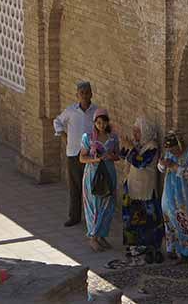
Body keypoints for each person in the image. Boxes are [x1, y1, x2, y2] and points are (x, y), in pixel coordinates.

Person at [158, 129, 188, 268]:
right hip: (170, 193)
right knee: (172, 220)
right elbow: (161, 168)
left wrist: (174, 166)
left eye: (173, 149)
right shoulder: (169, 152)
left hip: (187, 195)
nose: (172, 153)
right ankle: (180, 252)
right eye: (169, 150)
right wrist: (162, 163)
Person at [53, 81, 98, 227]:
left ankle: (91, 217)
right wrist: (63, 135)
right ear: (77, 95)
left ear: (91, 94)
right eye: (82, 93)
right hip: (73, 153)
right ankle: (74, 216)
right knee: (75, 186)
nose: (84, 95)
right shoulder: (71, 111)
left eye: (87, 92)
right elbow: (58, 121)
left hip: (90, 155)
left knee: (91, 187)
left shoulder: (95, 111)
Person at [120, 117, 164, 263]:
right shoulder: (139, 144)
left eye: (137, 132)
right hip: (132, 187)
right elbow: (123, 155)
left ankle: (147, 246)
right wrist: (125, 145)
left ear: (145, 132)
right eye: (134, 131)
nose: (135, 135)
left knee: (146, 218)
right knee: (131, 217)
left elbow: (140, 162)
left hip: (145, 190)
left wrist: (131, 148)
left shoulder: (152, 147)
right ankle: (134, 245)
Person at [80, 108, 119, 251]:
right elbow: (82, 157)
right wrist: (95, 158)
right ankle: (93, 236)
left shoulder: (113, 138)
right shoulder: (88, 138)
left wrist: (110, 156)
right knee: (94, 205)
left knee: (108, 205)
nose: (101, 125)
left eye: (104, 122)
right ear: (95, 123)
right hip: (93, 175)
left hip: (108, 174)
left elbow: (117, 155)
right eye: (98, 122)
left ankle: (102, 235)